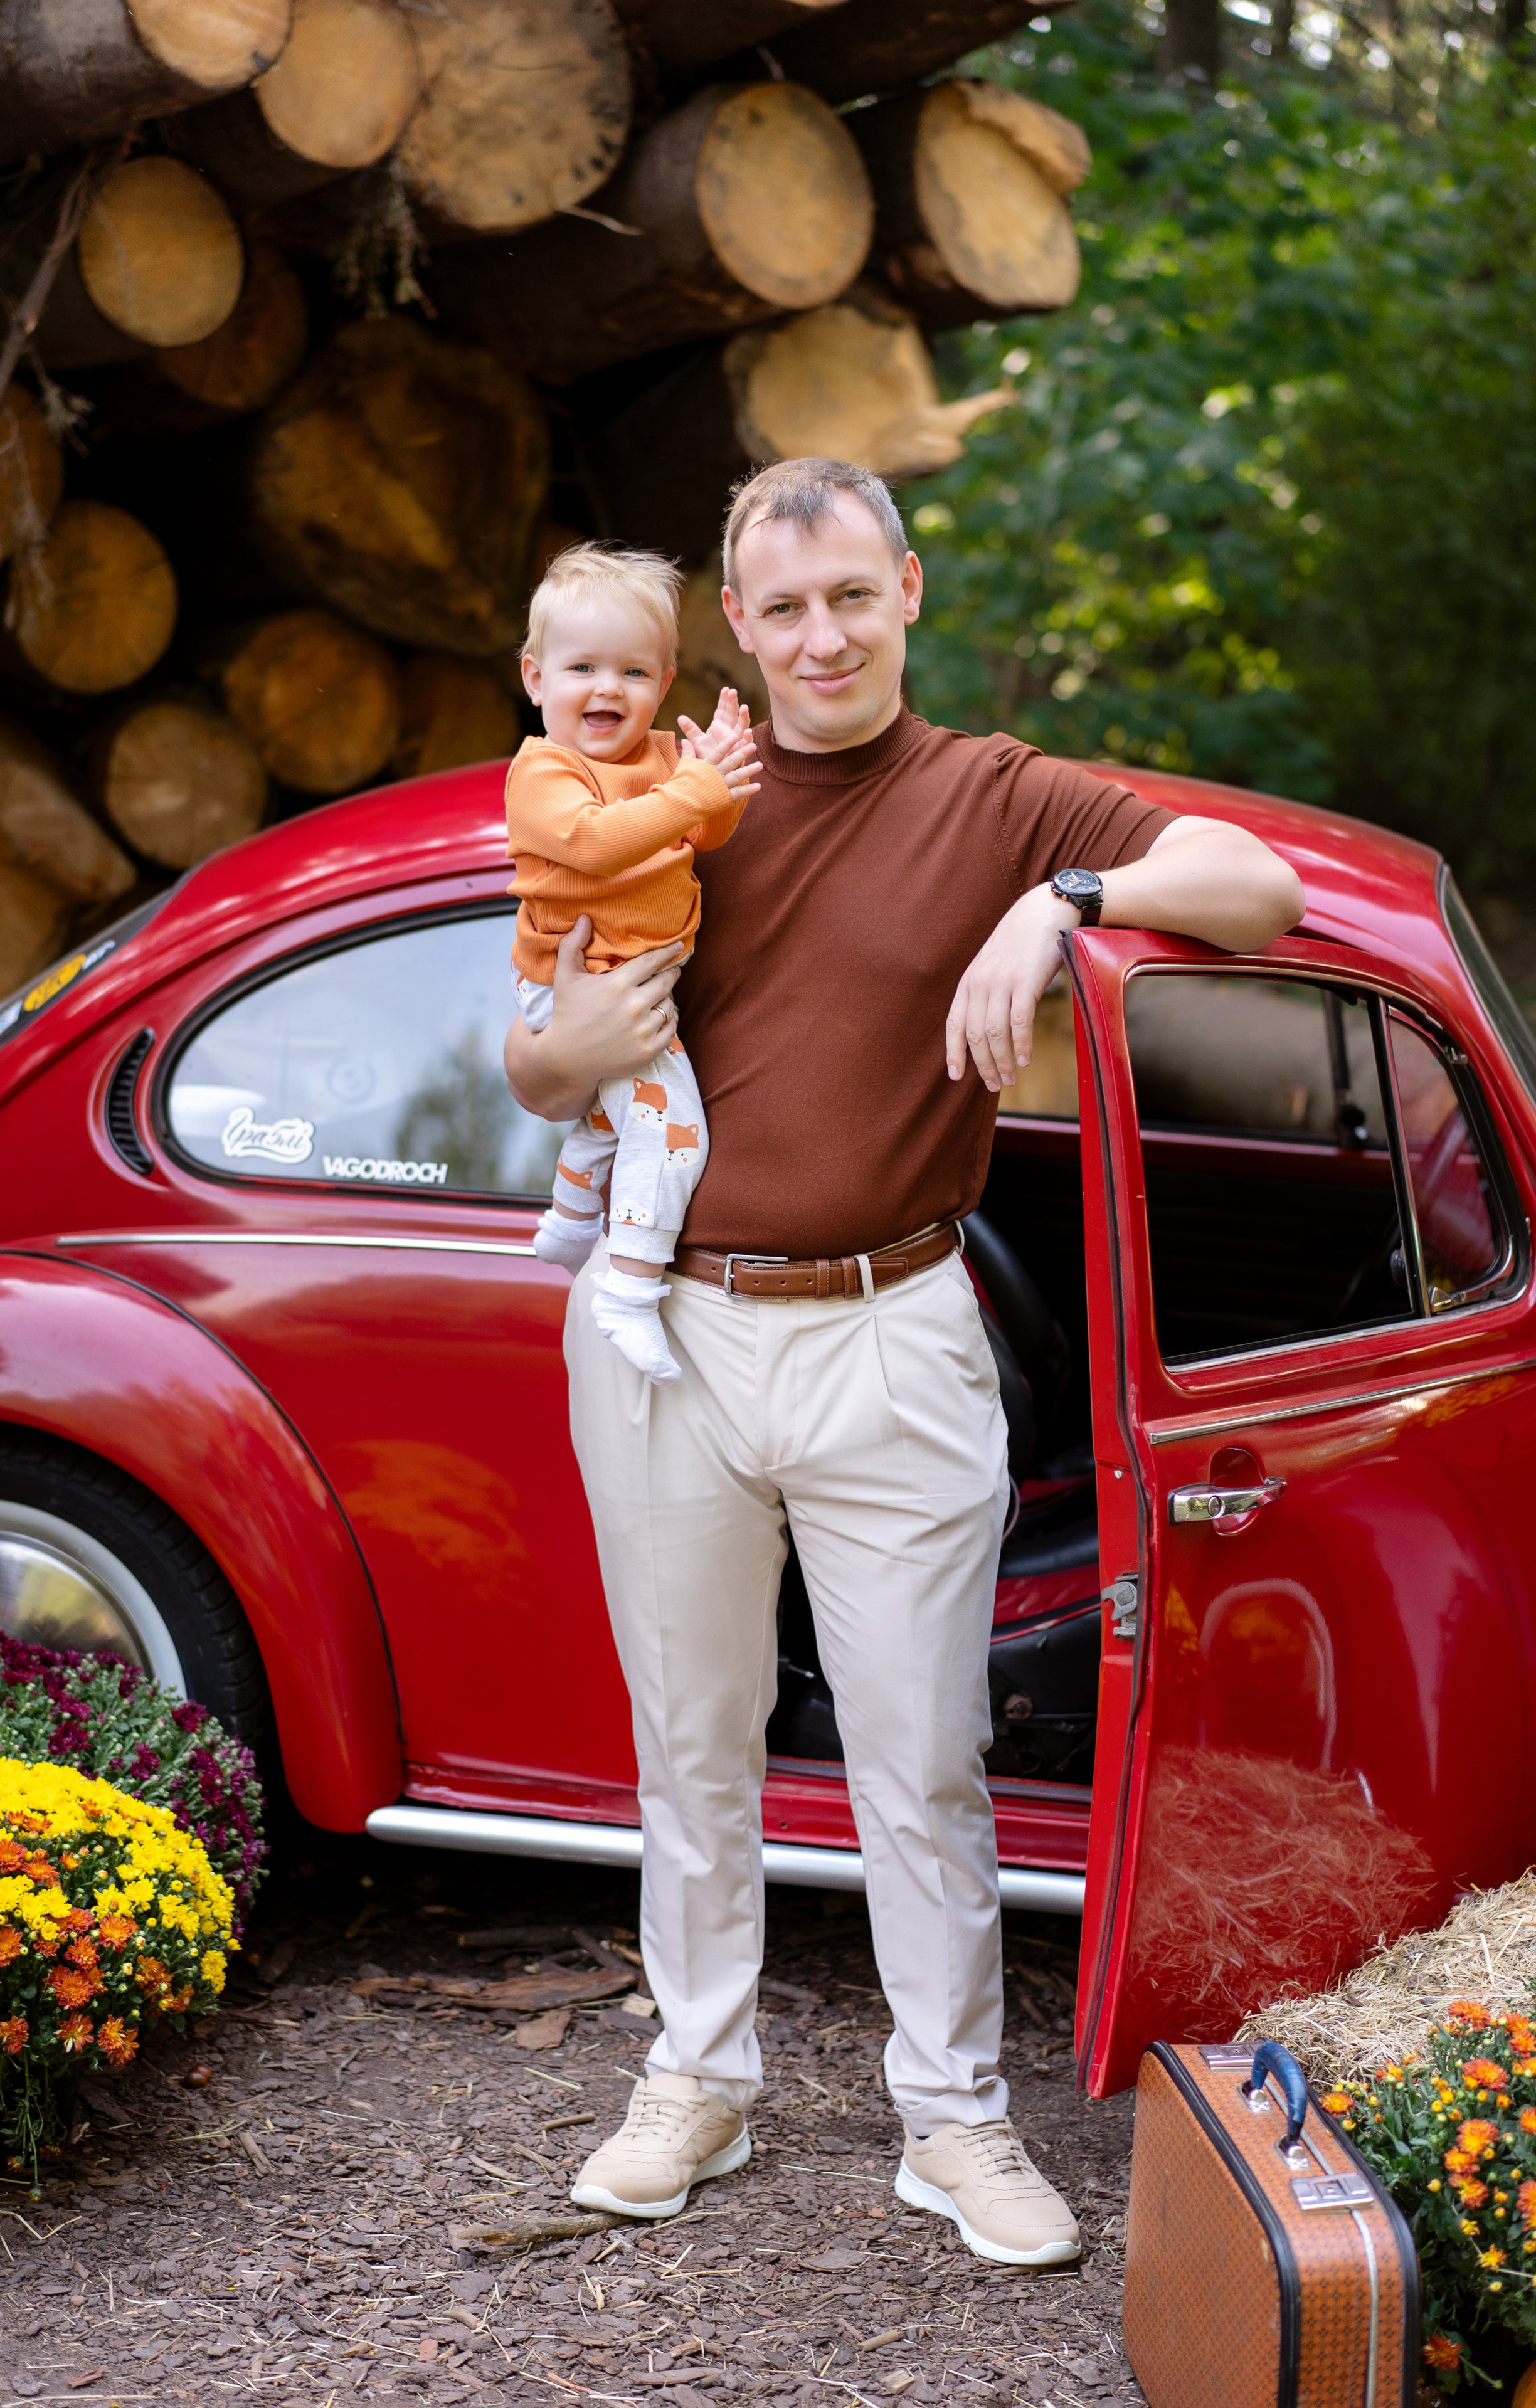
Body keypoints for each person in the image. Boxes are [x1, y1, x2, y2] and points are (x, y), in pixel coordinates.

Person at [505, 457, 1306, 2264]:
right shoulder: (658, 786)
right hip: (669, 1329)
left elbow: (1254, 885)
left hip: (897, 1324)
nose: (821, 635)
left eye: (851, 596)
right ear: (738, 625)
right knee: (690, 1741)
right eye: (783, 607)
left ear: (910, 594)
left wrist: (1064, 905)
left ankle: (952, 2123)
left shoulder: (996, 796)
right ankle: (695, 2080)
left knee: (922, 1758)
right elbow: (533, 1050)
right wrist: (562, 1060)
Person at [508, 542, 759, 1381]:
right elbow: (597, 845)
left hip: (633, 982)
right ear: (536, 678)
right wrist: (693, 791)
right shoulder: (547, 769)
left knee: (617, 1115)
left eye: (633, 672)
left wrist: (719, 777)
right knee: (676, 1136)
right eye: (582, 667)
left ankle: (572, 1218)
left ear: (664, 680)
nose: (608, 689)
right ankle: (628, 1287)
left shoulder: (660, 763)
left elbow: (701, 831)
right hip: (570, 988)